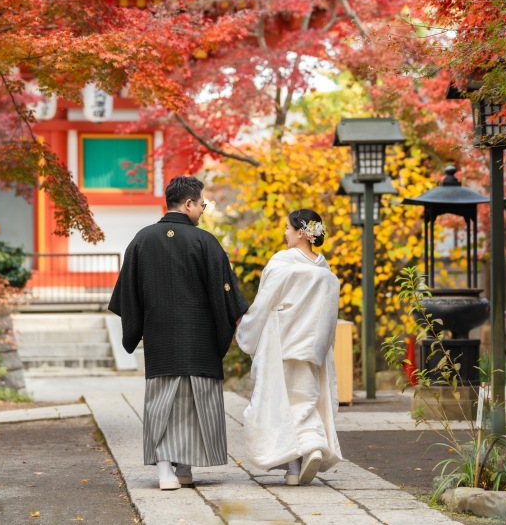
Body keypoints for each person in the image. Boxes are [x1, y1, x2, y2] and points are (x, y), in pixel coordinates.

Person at [108, 175, 250, 491]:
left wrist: (137, 327)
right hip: (200, 341)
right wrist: (237, 321)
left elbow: (127, 295)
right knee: (193, 405)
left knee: (163, 405)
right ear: (188, 204)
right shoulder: (206, 242)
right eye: (202, 204)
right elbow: (226, 293)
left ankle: (171, 469)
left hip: (160, 341)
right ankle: (173, 469)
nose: (203, 209)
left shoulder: (142, 240)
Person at [235, 209, 342, 486]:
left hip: (282, 342)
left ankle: (305, 455)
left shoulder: (282, 263)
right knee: (304, 400)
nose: (284, 233)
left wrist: (247, 331)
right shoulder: (324, 268)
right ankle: (299, 463)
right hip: (312, 346)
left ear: (300, 232)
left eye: (287, 228)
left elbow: (263, 304)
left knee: (281, 404)